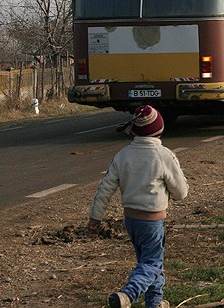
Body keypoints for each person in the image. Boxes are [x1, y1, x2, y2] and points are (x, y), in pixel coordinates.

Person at [88, 105, 189, 308]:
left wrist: (95, 217)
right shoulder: (163, 155)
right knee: (152, 263)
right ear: (160, 129)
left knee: (149, 263)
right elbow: (181, 192)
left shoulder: (123, 155)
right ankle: (128, 294)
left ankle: (155, 303)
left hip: (131, 221)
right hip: (152, 220)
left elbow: (105, 189)